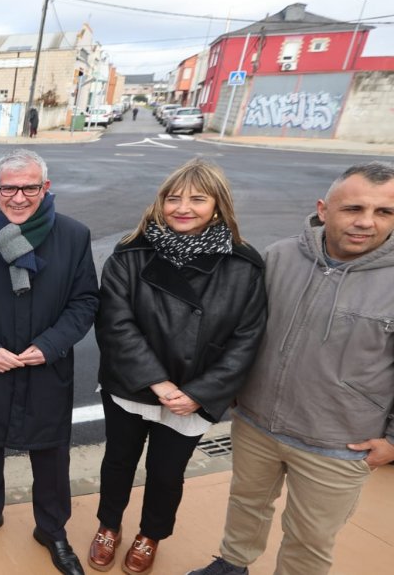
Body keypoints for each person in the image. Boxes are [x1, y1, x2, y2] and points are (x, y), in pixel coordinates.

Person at [189, 161, 394, 575]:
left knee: (311, 536)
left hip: (339, 441)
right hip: (255, 422)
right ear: (324, 209)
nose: (366, 223)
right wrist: (227, 387)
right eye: (353, 209)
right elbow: (242, 332)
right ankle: (232, 564)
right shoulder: (280, 256)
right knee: (247, 503)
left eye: (384, 212)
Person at [89, 159, 266, 574]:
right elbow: (115, 323)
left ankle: (151, 534)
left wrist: (200, 392)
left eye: (197, 199)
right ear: (160, 202)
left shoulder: (244, 265)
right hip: (132, 385)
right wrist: (158, 382)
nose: (183, 207)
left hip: (193, 392)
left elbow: (248, 337)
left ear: (218, 206)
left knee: (167, 473)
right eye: (174, 198)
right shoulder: (130, 254)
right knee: (118, 460)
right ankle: (108, 525)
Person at [0, 150, 98, 575]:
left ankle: (52, 530)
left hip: (46, 368)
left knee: (51, 456)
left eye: (29, 187)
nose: (18, 197)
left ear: (45, 188)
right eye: (8, 188)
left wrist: (51, 345)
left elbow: (85, 301)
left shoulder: (73, 235)